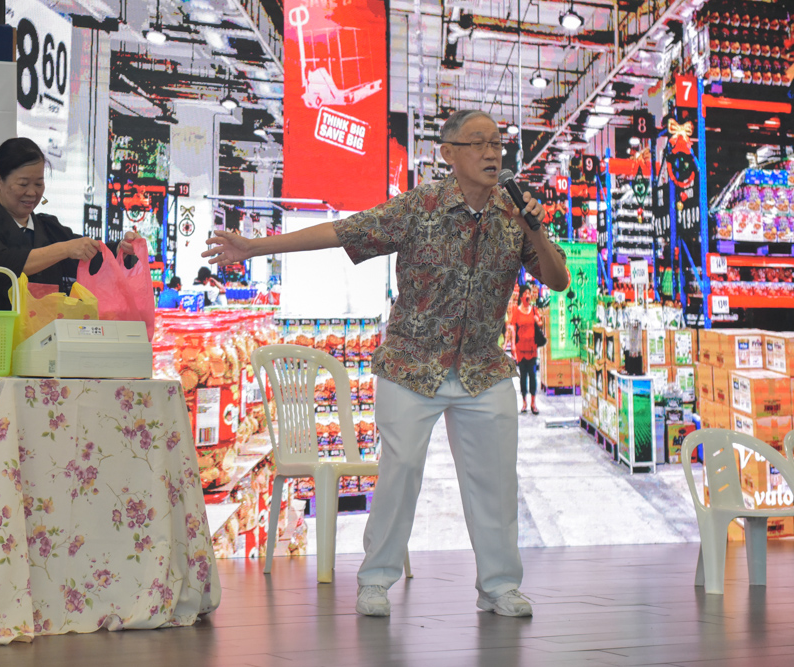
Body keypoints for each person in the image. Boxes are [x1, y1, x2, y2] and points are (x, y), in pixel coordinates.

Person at [202, 109, 568, 618]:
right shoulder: (419, 207)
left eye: (496, 143)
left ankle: (499, 586)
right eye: (478, 142)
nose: (491, 152)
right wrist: (255, 247)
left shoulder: (514, 214)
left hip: (483, 368)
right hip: (411, 365)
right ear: (449, 153)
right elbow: (343, 231)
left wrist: (536, 230)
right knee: (400, 474)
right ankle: (375, 580)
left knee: (497, 482)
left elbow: (558, 279)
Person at [0, 137, 139, 310]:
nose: (32, 193)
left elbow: (94, 258)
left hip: (45, 332)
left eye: (38, 184)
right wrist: (65, 249)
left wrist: (122, 249)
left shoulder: (49, 228)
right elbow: (7, 267)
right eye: (23, 184)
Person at [510, 284, 544, 414]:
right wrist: (513, 346)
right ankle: (524, 403)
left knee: (533, 376)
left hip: (532, 348)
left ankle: (533, 403)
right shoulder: (516, 311)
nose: (527, 296)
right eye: (525, 294)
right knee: (523, 376)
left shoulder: (534, 310)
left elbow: (540, 324)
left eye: (529, 293)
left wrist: (537, 321)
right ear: (521, 297)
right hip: (521, 349)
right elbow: (513, 329)